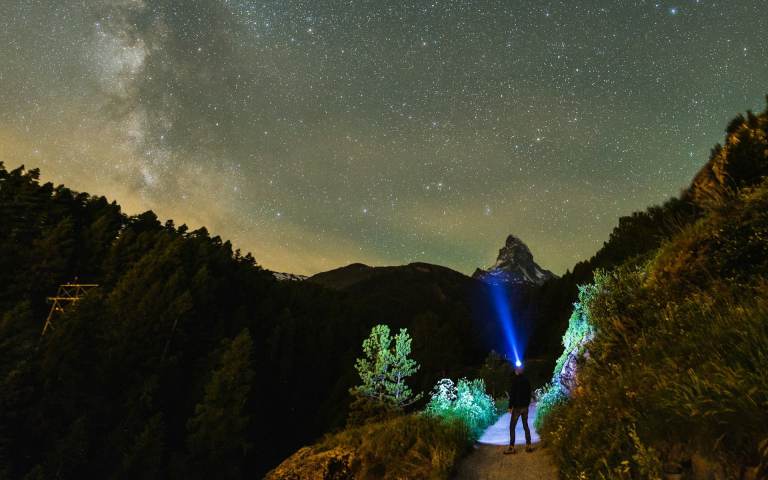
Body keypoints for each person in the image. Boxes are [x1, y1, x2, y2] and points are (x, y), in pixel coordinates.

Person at [504, 362, 532, 455]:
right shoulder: (527, 381)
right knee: (525, 425)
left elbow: (512, 394)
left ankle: (511, 447)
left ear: (517, 371)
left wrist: (510, 406)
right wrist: (527, 404)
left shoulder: (515, 381)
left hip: (517, 407)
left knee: (512, 427)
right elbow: (529, 394)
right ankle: (528, 445)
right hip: (525, 407)